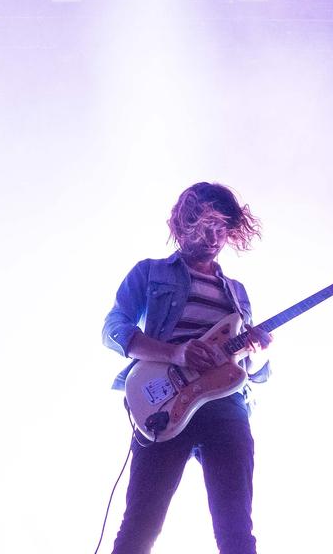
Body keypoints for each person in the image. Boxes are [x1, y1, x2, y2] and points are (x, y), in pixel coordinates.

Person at [102, 182, 272, 554]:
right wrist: (175, 354)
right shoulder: (149, 272)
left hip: (226, 408)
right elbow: (114, 329)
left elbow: (256, 372)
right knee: (139, 529)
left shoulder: (237, 293)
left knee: (237, 531)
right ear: (185, 223)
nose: (215, 237)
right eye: (206, 226)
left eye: (223, 228)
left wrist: (256, 351)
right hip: (162, 402)